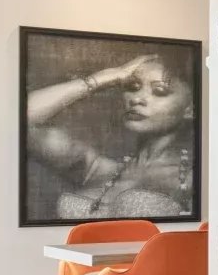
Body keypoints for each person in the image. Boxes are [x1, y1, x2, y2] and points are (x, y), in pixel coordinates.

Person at [27, 54, 195, 219]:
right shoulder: (95, 168)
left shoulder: (191, 178)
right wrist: (104, 78)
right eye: (133, 87)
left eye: (159, 91)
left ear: (190, 109)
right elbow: (23, 118)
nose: (137, 99)